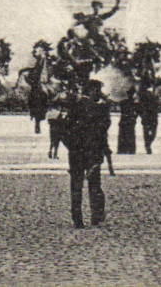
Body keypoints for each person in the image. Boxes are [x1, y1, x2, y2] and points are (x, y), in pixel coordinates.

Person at [62, 79, 112, 228]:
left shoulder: (74, 107)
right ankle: (96, 216)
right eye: (97, 90)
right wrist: (104, 149)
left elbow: (65, 130)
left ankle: (77, 218)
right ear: (92, 91)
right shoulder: (100, 109)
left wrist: (71, 146)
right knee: (94, 185)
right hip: (93, 152)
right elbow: (103, 132)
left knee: (76, 185)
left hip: (76, 152)